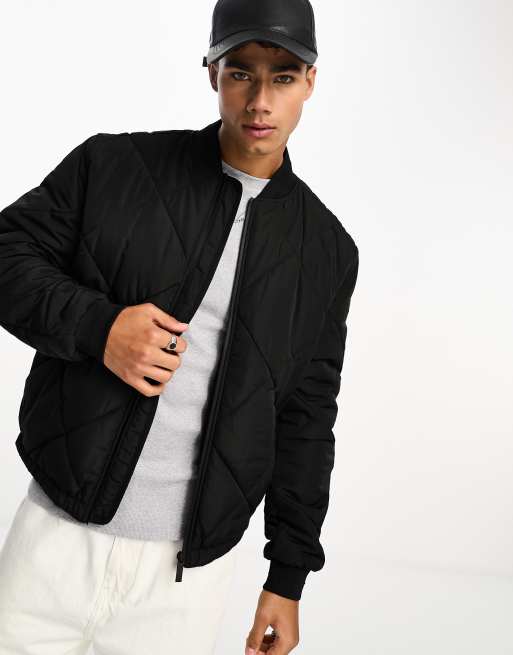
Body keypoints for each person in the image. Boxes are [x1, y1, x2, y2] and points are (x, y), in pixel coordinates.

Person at [0, 0, 359, 653]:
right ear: (212, 73)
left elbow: (306, 418)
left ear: (310, 81)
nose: (260, 100)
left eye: (282, 76)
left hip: (184, 581)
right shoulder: (114, 167)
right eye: (240, 72)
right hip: (52, 543)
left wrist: (287, 577)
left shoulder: (327, 252)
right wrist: (100, 328)